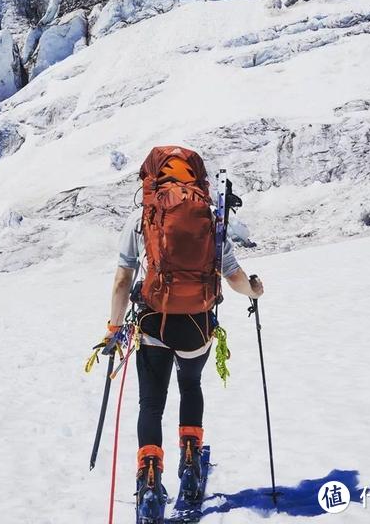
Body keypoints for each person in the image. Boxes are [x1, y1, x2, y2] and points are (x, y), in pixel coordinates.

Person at [102, 146, 264, 522]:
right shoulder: (210, 217)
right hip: (198, 325)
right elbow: (234, 275)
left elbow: (122, 280)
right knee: (190, 386)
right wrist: (254, 292)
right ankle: (191, 460)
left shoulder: (143, 216)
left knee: (151, 404)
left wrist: (113, 329)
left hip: (154, 325)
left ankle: (149, 478)